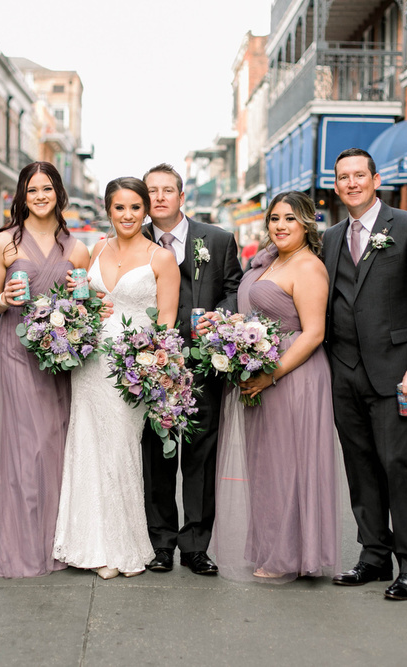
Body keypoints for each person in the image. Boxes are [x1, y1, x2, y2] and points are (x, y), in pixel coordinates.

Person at [322, 148, 407, 601]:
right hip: (344, 371)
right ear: (335, 185)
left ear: (376, 180)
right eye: (343, 177)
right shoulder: (331, 237)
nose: (351, 183)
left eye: (359, 175)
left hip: (398, 372)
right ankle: (373, 555)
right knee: (360, 466)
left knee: (398, 464)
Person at [53, 177, 181, 579]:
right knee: (87, 449)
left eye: (135, 208)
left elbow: (166, 321)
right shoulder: (95, 250)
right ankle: (89, 546)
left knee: (120, 451)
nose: (127, 215)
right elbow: (85, 301)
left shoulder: (160, 258)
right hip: (89, 366)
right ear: (108, 210)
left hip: (130, 368)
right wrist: (85, 311)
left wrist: (150, 366)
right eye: (119, 207)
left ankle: (122, 548)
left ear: (146, 211)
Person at [208, 192, 339, 582]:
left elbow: (314, 333)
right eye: (275, 218)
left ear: (306, 224)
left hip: (293, 374)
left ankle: (292, 554)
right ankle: (271, 545)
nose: (280, 226)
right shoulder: (269, 261)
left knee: (289, 464)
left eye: (290, 219)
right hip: (260, 371)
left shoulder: (308, 266)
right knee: (265, 464)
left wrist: (272, 372)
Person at [0, 161, 89, 578]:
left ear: (58, 193)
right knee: (26, 449)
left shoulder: (75, 248)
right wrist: (5, 297)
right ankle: (21, 547)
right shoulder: (4, 243)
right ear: (22, 196)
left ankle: (56, 542)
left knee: (54, 445)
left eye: (47, 189)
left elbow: (84, 304)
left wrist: (85, 308)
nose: (40, 196)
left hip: (59, 356)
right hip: (16, 350)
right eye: (32, 190)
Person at [140, 163, 242, 576]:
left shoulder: (216, 239)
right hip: (152, 365)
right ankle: (161, 542)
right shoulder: (133, 238)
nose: (160, 197)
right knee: (156, 457)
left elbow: (235, 287)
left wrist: (220, 318)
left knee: (200, 457)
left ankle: (196, 545)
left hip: (203, 366)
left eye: (168, 190)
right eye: (153, 191)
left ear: (182, 197)